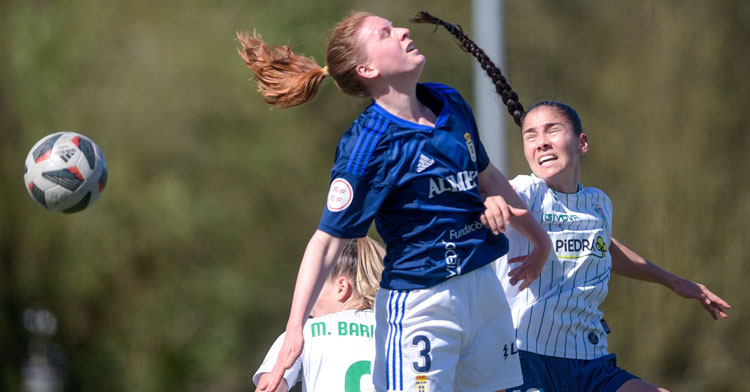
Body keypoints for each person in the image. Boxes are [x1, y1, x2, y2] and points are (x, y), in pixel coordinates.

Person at [412, 12, 731, 392]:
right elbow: (479, 193)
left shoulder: (598, 204)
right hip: (524, 359)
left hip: (590, 360)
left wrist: (676, 282)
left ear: (581, 143)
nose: (540, 141)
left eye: (553, 130)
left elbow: (603, 245)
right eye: (530, 135)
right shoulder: (524, 192)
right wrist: (486, 205)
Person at [237, 11, 552, 392]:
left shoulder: (449, 102)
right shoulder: (366, 146)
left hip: (483, 286)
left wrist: (539, 240)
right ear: (368, 69)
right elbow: (325, 243)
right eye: (386, 33)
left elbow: (488, 177)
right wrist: (293, 331)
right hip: (422, 302)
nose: (403, 31)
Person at [253, 237, 384, 392]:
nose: (308, 296)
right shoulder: (394, 331)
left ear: (341, 287)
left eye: (315, 286)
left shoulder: (301, 333)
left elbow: (269, 388)